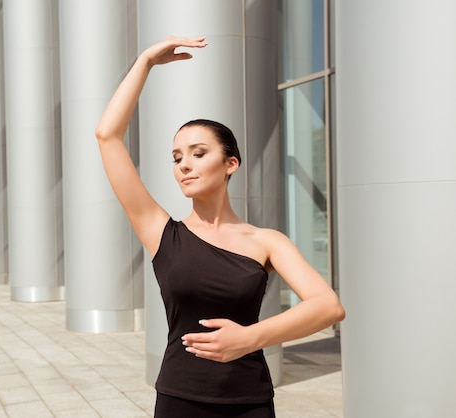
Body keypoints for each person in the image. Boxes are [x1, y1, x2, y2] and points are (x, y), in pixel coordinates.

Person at [94, 36, 346, 418]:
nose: (184, 164)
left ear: (231, 164)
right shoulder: (163, 232)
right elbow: (107, 136)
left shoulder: (266, 241)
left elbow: (328, 306)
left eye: (198, 153)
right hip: (180, 398)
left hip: (249, 401)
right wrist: (145, 60)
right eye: (177, 157)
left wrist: (249, 338)